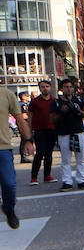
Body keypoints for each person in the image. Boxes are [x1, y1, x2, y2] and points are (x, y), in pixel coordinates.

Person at [0, 82, 33, 226]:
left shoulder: (6, 94)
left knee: (9, 184)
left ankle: (9, 209)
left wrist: (28, 140)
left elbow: (19, 119)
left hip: (3, 147)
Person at [52, 79, 84, 190]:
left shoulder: (78, 100)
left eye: (70, 87)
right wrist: (62, 111)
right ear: (61, 89)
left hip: (79, 132)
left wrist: (78, 110)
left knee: (81, 158)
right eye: (66, 87)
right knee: (65, 159)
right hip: (64, 133)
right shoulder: (56, 102)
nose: (68, 89)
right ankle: (67, 181)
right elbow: (52, 119)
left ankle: (82, 180)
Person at [26, 79, 55, 185]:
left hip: (52, 130)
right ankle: (34, 177)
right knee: (39, 154)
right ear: (39, 88)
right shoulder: (34, 102)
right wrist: (29, 132)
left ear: (50, 88)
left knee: (49, 154)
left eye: (47, 86)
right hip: (39, 131)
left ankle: (47, 175)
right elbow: (30, 117)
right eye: (42, 86)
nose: (45, 88)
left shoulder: (54, 100)